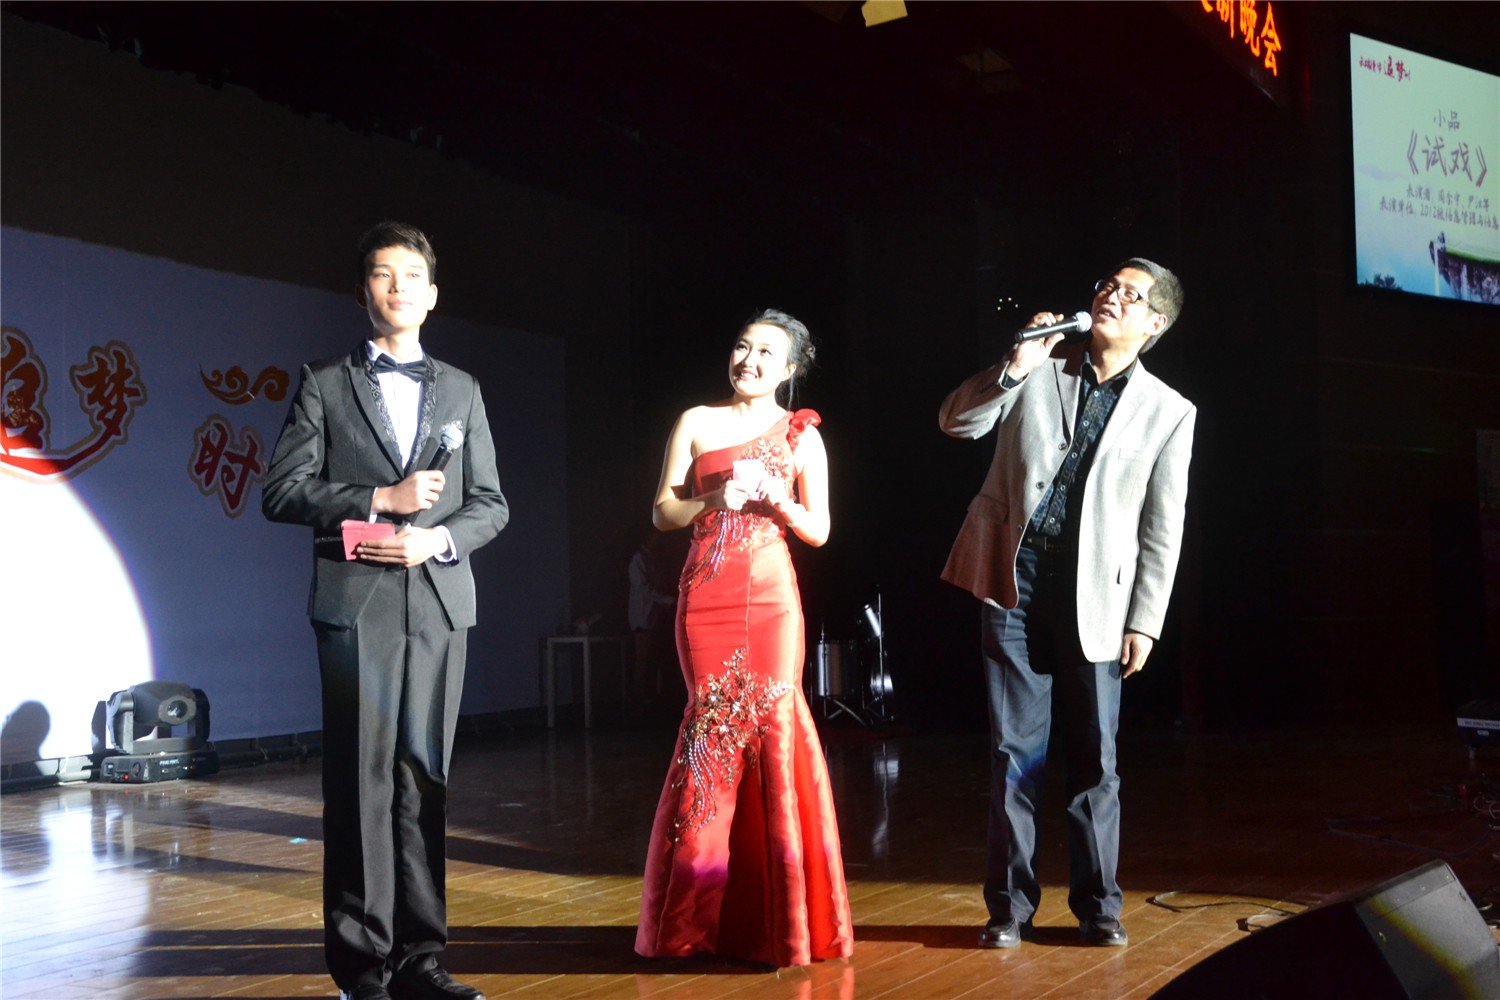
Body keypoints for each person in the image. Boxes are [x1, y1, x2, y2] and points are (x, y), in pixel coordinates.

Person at [263, 222, 508, 1000]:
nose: (398, 286)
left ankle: (420, 958)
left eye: (412, 275)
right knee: (360, 780)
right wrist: (379, 499)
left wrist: (435, 538)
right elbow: (281, 491)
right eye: (381, 273)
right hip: (357, 605)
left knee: (424, 778)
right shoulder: (324, 382)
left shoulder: (462, 389)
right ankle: (362, 967)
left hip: (437, 603)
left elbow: (491, 503)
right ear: (361, 292)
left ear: (433, 296)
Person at [939, 258, 1194, 951]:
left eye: (1130, 295)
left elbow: (1162, 526)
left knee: (1095, 760)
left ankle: (1099, 907)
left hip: (1100, 596)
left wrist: (1146, 620)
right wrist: (1016, 365)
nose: (1111, 297)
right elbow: (956, 422)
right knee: (1012, 754)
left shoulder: (1170, 411)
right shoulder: (1040, 366)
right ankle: (1009, 909)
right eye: (1108, 286)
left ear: (1155, 323)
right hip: (1014, 579)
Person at [635, 309, 854, 968]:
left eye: (765, 353)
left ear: (790, 369)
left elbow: (819, 530)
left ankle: (781, 916)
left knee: (774, 728)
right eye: (741, 347)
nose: (748, 361)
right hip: (706, 593)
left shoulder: (801, 434)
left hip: (770, 596)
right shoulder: (696, 421)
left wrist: (780, 503)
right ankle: (692, 919)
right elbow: (662, 511)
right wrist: (713, 500)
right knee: (709, 734)